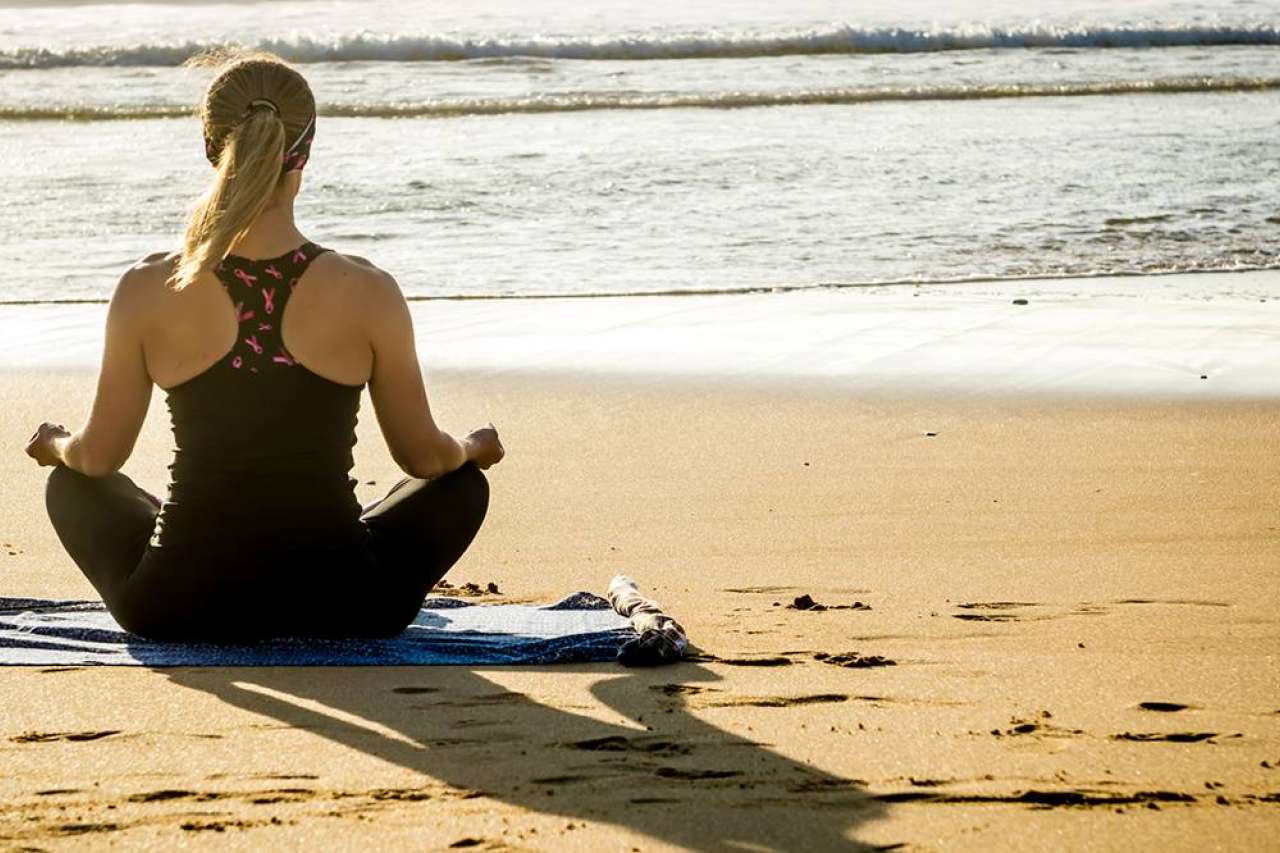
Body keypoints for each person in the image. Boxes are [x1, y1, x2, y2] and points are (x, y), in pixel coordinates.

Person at [23, 49, 504, 642]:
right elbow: (425, 461)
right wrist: (470, 447)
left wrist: (57, 446)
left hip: (176, 607)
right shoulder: (368, 288)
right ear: (304, 150)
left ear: (209, 147)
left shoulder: (148, 286)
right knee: (461, 483)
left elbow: (97, 460)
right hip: (350, 604)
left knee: (71, 481)